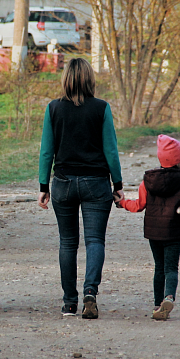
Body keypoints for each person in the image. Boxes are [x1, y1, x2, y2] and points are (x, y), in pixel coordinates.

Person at [38, 58, 123, 319]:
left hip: (63, 183)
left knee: (68, 242)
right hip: (96, 183)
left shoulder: (53, 109)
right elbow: (110, 149)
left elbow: (46, 152)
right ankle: (90, 292)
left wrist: (43, 185)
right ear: (90, 79)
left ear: (65, 79)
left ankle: (68, 303)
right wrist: (117, 185)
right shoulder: (101, 108)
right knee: (95, 240)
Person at [116, 134, 180, 320]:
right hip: (174, 231)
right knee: (171, 268)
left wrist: (121, 203)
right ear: (179, 160)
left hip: (154, 231)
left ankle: (156, 304)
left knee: (159, 267)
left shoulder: (148, 180)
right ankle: (169, 297)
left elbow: (139, 205)